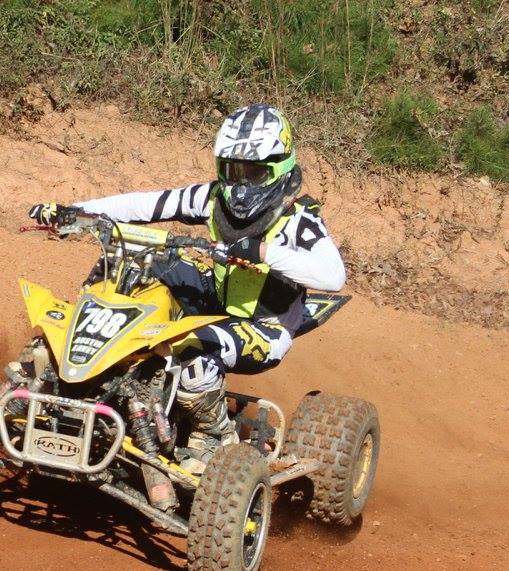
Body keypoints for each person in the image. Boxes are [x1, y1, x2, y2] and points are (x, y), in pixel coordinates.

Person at [28, 103, 345, 474]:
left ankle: (215, 436)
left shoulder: (299, 220)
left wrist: (263, 252)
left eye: (254, 172)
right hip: (216, 296)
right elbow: (146, 204)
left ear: (280, 167)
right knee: (137, 260)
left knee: (193, 351)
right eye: (232, 170)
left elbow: (333, 276)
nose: (241, 184)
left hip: (265, 326)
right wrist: (74, 210)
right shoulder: (212, 198)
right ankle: (87, 359)